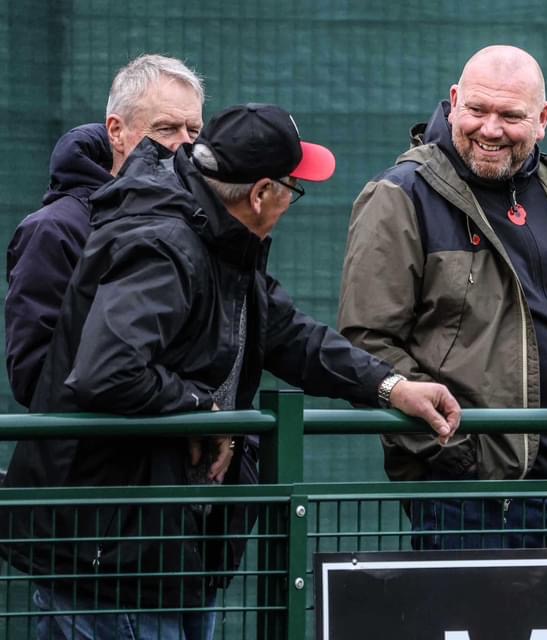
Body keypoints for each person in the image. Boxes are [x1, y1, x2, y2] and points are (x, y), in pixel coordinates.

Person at [2, 103, 461, 639]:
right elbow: (108, 370)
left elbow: (292, 336)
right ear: (261, 193)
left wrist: (391, 386)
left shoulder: (219, 235)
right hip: (111, 561)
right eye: (292, 186)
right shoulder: (164, 241)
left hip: (166, 553)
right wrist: (206, 411)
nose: (292, 197)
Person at [338, 45, 547, 549]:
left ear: (542, 119)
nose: (490, 129)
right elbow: (367, 342)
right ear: (453, 102)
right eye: (477, 110)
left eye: (510, 116)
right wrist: (461, 458)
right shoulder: (401, 195)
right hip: (476, 502)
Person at [5, 53, 204, 409]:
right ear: (116, 132)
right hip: (96, 443)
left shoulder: (197, 225)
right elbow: (35, 377)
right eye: (166, 129)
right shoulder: (55, 230)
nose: (184, 145)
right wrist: (177, 401)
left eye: (194, 131)